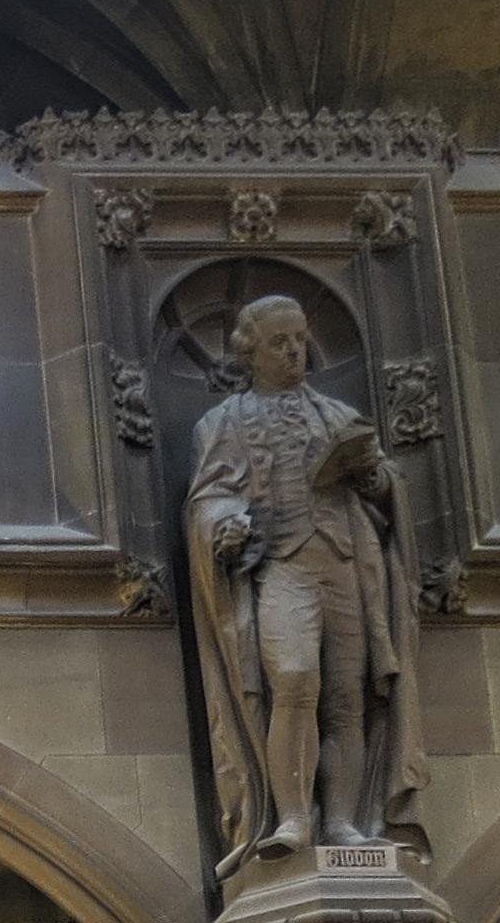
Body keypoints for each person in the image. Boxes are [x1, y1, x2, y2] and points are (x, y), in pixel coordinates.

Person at [180, 293, 420, 878]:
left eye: (300, 339)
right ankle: (292, 815)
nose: (294, 351)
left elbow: (388, 483)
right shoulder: (223, 422)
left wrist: (371, 475)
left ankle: (340, 822)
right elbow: (206, 500)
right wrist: (223, 526)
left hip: (344, 564)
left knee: (346, 697)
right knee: (293, 679)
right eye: (279, 342)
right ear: (250, 351)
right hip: (281, 567)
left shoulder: (337, 417)